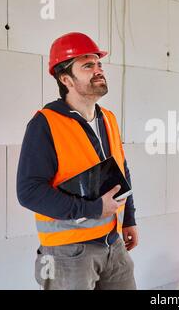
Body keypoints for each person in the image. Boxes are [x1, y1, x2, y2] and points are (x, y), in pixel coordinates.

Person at [17, 32, 137, 290]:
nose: (98, 70)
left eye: (98, 64)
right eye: (87, 65)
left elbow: (121, 172)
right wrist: (92, 210)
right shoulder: (45, 124)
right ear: (65, 79)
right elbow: (29, 192)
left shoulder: (109, 119)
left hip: (112, 244)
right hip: (67, 254)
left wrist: (129, 219)